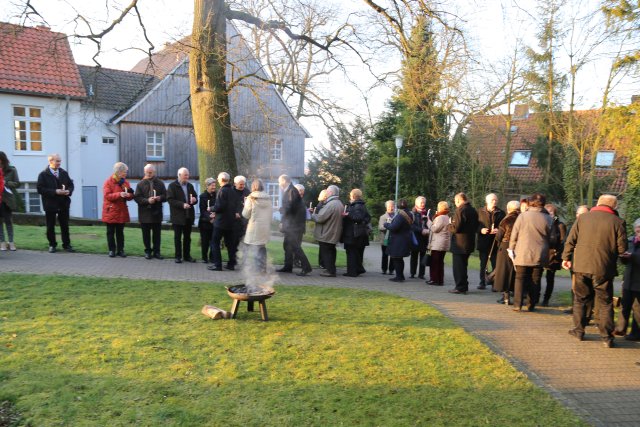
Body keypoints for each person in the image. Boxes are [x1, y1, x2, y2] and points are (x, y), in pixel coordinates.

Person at [562, 194, 627, 348]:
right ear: (614, 206)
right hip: (603, 268)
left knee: (581, 299)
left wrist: (566, 257)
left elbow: (570, 240)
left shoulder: (583, 218)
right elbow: (622, 248)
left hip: (581, 266)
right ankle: (606, 337)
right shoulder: (618, 222)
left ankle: (579, 331)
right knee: (605, 303)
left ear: (598, 203)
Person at [508, 193, 554, 312]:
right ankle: (531, 304)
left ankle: (517, 304)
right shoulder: (548, 218)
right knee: (536, 278)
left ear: (531, 202)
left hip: (522, 251)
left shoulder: (523, 216)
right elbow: (553, 238)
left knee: (520, 278)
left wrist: (511, 248)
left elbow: (515, 233)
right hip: (540, 252)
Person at [37, 153, 75, 253]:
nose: (59, 163)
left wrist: (69, 191)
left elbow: (71, 184)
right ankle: (52, 245)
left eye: (60, 161)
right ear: (51, 161)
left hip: (63, 203)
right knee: (50, 226)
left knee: (65, 226)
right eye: (57, 161)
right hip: (50, 204)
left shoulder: (63, 172)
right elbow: (40, 189)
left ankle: (67, 245)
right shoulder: (43, 174)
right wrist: (55, 191)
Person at [276, 174, 312, 276]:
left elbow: (289, 208)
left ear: (283, 181)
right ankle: (288, 266)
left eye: (279, 182)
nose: (279, 184)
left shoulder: (291, 191)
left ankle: (307, 267)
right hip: (291, 224)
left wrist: (281, 213)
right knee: (287, 245)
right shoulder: (290, 190)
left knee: (295, 246)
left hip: (294, 225)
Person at [134, 164, 166, 260]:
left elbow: (166, 196)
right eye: (147, 172)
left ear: (154, 172)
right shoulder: (140, 184)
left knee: (157, 234)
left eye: (151, 172)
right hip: (145, 213)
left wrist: (159, 198)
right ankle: (148, 251)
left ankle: (157, 252)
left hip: (156, 212)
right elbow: (137, 198)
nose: (149, 174)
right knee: (146, 234)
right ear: (144, 172)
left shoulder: (160, 183)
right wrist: (147, 200)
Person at [448, 192, 478, 294]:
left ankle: (460, 287)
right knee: (463, 266)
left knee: (458, 267)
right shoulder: (473, 210)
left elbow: (456, 228)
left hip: (459, 244)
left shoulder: (460, 210)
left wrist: (449, 225)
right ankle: (464, 286)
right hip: (469, 242)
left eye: (455, 202)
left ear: (458, 200)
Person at [615, 218, 640, 341]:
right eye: (637, 228)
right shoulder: (630, 240)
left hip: (639, 281)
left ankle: (636, 333)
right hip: (629, 279)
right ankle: (620, 329)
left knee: (637, 309)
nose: (638, 230)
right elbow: (624, 260)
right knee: (624, 305)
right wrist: (623, 257)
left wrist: (633, 256)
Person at [102, 162, 134, 257]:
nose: (126, 173)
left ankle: (121, 250)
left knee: (120, 232)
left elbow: (130, 195)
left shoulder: (125, 183)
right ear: (119, 172)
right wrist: (119, 194)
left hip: (121, 211)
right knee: (110, 232)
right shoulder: (108, 182)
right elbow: (107, 196)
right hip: (111, 211)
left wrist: (129, 195)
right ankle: (112, 250)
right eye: (125, 171)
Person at [208, 172, 239, 271]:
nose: (217, 180)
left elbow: (219, 207)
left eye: (218, 178)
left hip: (221, 223)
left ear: (221, 180)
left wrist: (211, 208)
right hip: (231, 222)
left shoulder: (222, 191)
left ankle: (218, 265)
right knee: (230, 244)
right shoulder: (233, 191)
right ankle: (231, 264)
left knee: (214, 242)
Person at [311, 185, 343, 277]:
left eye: (328, 191)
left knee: (327, 252)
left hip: (327, 232)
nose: (326, 193)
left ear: (332, 193)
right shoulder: (339, 203)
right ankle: (331, 269)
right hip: (333, 231)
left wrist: (311, 215)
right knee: (331, 251)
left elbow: (321, 218)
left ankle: (330, 271)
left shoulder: (331, 204)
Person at [167, 167, 197, 263]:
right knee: (178, 238)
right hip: (177, 217)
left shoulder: (190, 186)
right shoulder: (172, 186)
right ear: (179, 175)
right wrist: (182, 205)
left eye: (188, 175)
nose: (187, 177)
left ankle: (187, 256)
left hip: (188, 216)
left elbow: (195, 197)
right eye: (185, 175)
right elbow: (170, 200)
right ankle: (178, 256)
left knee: (187, 238)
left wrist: (195, 200)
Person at [492, 201, 520, 304]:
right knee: (515, 272)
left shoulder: (506, 220)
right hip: (519, 247)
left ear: (508, 209)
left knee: (504, 272)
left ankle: (505, 296)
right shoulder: (521, 218)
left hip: (505, 246)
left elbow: (499, 236)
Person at [242, 179, 273, 272]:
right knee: (262, 247)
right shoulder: (268, 198)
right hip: (265, 227)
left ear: (253, 187)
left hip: (254, 227)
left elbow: (245, 214)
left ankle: (256, 268)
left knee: (254, 247)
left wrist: (245, 205)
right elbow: (271, 214)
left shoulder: (251, 198)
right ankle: (262, 268)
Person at [476, 193, 505, 290]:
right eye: (493, 200)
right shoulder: (480, 211)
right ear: (487, 201)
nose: (495, 201)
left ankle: (494, 283)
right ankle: (482, 282)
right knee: (483, 263)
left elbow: (503, 226)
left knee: (495, 264)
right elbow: (475, 225)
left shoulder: (501, 213)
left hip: (495, 242)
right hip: (483, 241)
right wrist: (481, 230)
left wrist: (498, 230)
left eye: (496, 200)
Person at [541, 203, 567, 306]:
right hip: (541, 254)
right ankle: (535, 296)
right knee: (537, 276)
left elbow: (562, 241)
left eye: (550, 213)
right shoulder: (541, 223)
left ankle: (546, 299)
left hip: (553, 255)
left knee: (550, 278)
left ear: (554, 214)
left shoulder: (560, 226)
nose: (549, 215)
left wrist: (558, 253)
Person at [342, 189, 371, 277]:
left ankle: (352, 272)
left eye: (351, 194)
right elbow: (368, 217)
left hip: (353, 233)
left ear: (353, 196)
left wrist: (347, 215)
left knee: (351, 252)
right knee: (355, 252)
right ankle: (357, 270)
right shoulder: (361, 205)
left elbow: (358, 217)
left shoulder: (357, 205)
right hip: (356, 233)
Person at [384, 199, 413, 282]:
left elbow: (394, 227)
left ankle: (399, 276)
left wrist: (386, 224)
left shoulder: (400, 215)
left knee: (396, 258)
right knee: (399, 259)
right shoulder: (409, 214)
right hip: (405, 238)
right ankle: (401, 275)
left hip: (398, 240)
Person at [426, 201, 451, 286]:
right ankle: (440, 280)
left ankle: (434, 279)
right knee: (440, 262)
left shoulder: (441, 217)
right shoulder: (447, 217)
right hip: (443, 243)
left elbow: (434, 229)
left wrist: (429, 222)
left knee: (435, 262)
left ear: (440, 208)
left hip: (437, 244)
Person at [0, 152, 20, 251]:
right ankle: (2, 243)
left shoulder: (11, 169)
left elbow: (17, 183)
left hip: (7, 199)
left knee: (8, 221)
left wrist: (6, 183)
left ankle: (11, 242)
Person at [410, 196, 430, 279]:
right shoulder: (412, 213)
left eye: (424, 202)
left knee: (423, 256)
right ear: (416, 203)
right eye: (421, 202)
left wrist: (428, 230)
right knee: (414, 256)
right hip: (415, 237)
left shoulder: (428, 213)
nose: (423, 204)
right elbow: (411, 225)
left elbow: (431, 223)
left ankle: (421, 274)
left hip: (424, 238)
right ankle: (412, 273)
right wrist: (421, 230)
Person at [198, 177, 217, 263]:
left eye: (214, 185)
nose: (214, 187)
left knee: (213, 241)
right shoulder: (202, 196)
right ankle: (204, 257)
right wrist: (210, 218)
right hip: (205, 223)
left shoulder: (217, 195)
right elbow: (203, 210)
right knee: (205, 241)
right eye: (212, 185)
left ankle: (212, 257)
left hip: (215, 222)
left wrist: (215, 215)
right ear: (207, 186)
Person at [233, 175, 251, 253]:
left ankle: (243, 261)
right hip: (234, 222)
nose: (242, 186)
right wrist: (234, 213)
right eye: (240, 184)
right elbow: (227, 205)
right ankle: (233, 260)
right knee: (234, 242)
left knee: (244, 242)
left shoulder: (247, 192)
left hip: (244, 221)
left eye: (243, 184)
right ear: (235, 184)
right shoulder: (231, 192)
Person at [378, 200, 395, 275]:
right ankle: (384, 269)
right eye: (389, 207)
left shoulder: (396, 216)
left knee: (393, 255)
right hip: (385, 239)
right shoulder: (383, 217)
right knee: (385, 255)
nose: (391, 208)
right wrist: (388, 226)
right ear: (386, 208)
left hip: (394, 240)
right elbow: (380, 227)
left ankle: (391, 270)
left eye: (392, 206)